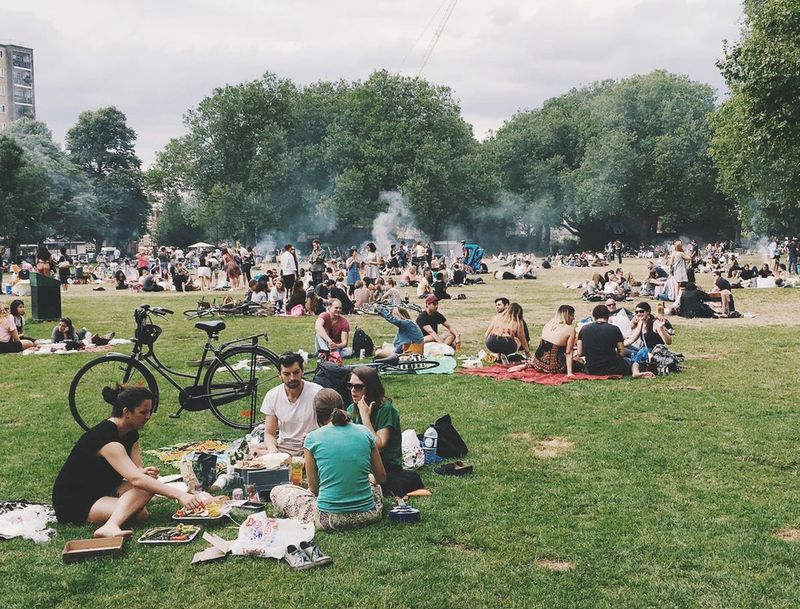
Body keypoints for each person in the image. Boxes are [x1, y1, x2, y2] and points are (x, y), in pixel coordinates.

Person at [52, 385, 205, 537]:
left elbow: (136, 471)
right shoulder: (107, 438)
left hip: (104, 489)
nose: (148, 417)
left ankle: (114, 518)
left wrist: (141, 472)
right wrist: (180, 495)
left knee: (143, 503)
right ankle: (110, 526)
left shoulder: (131, 434)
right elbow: (136, 479)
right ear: (126, 412)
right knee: (140, 507)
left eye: (149, 411)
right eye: (143, 412)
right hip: (75, 502)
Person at [270, 388, 385, 531]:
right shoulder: (365, 432)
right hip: (368, 514)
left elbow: (314, 489)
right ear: (343, 407)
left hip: (329, 518)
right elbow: (381, 477)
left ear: (317, 414)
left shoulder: (312, 438)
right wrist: (370, 478)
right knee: (374, 485)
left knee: (277, 491)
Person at [346, 367, 420, 496]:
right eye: (350, 386)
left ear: (370, 387)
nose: (353, 390)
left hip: (385, 466)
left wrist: (365, 418)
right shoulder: (352, 408)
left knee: (396, 483)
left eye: (358, 386)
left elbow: (379, 446)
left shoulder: (385, 409)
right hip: (361, 465)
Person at [252, 352, 322, 457]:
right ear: (279, 375)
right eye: (287, 374)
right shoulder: (272, 395)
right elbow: (270, 433)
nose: (292, 378)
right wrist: (272, 451)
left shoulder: (318, 392)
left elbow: (328, 427)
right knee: (252, 451)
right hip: (284, 447)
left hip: (311, 445)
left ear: (302, 371)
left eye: (296, 372)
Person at [577, 305, 654, 378]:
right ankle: (635, 372)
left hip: (591, 369)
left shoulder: (584, 329)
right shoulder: (614, 329)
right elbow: (622, 353)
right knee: (633, 361)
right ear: (608, 316)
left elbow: (580, 353)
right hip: (613, 367)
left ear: (594, 317)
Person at [526, 304, 578, 375]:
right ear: (567, 315)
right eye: (572, 315)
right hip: (553, 367)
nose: (574, 318)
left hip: (537, 363)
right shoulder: (570, 330)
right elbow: (568, 352)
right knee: (580, 362)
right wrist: (569, 373)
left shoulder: (549, 324)